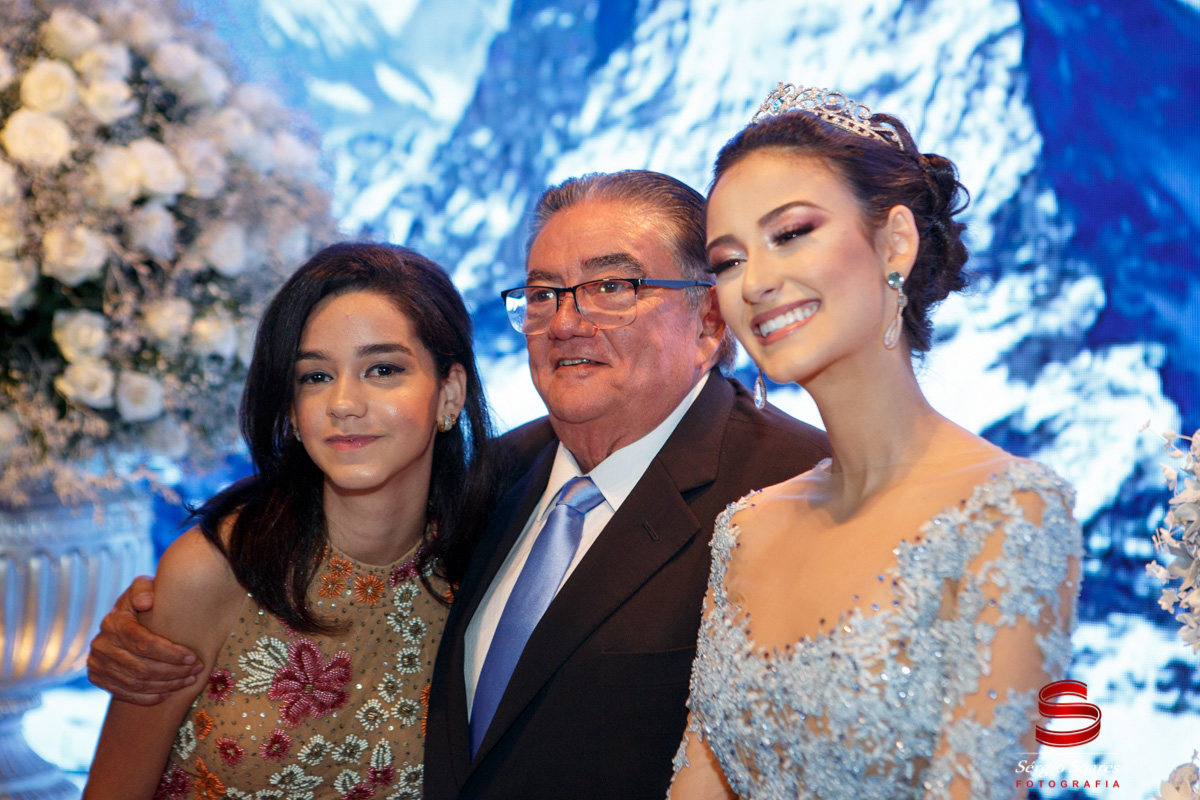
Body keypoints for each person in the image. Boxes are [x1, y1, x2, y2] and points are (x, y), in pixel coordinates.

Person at [88, 171, 831, 798]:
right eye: (544, 293)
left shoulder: (799, 492)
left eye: (612, 285)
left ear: (709, 319)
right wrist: (153, 626)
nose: (567, 321)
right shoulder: (493, 485)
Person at [667, 85, 1083, 799]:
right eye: (729, 261)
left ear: (894, 243)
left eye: (791, 233)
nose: (755, 283)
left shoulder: (1009, 513)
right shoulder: (744, 530)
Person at [84, 242, 497, 799]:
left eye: (383, 369)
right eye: (315, 376)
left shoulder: (483, 567)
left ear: (449, 393)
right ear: (293, 412)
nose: (343, 403)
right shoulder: (217, 571)